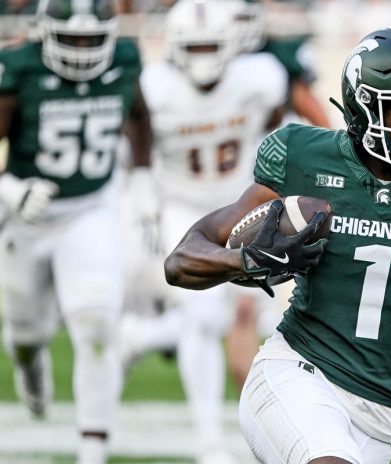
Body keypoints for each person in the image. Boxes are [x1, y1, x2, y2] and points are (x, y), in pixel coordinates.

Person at [164, 26, 391, 464]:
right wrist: (245, 259)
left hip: (383, 417)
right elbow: (182, 259)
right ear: (363, 108)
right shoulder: (306, 158)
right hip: (299, 376)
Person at [118, 0, 287, 463]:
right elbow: (134, 144)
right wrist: (142, 204)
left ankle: (142, 337)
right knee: (203, 316)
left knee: (258, 318)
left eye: (211, 43)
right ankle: (209, 444)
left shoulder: (260, 77)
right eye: (194, 46)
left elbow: (273, 131)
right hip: (181, 208)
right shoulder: (157, 88)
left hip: (239, 206)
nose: (203, 55)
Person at [0, 0, 152, 462]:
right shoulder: (17, 70)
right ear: (44, 34)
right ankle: (29, 363)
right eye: (72, 39)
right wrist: (10, 190)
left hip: (90, 209)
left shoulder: (124, 61)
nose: (83, 50)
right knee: (25, 332)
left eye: (92, 39)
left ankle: (92, 452)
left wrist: (142, 180)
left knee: (96, 321)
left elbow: (141, 119)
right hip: (26, 217)